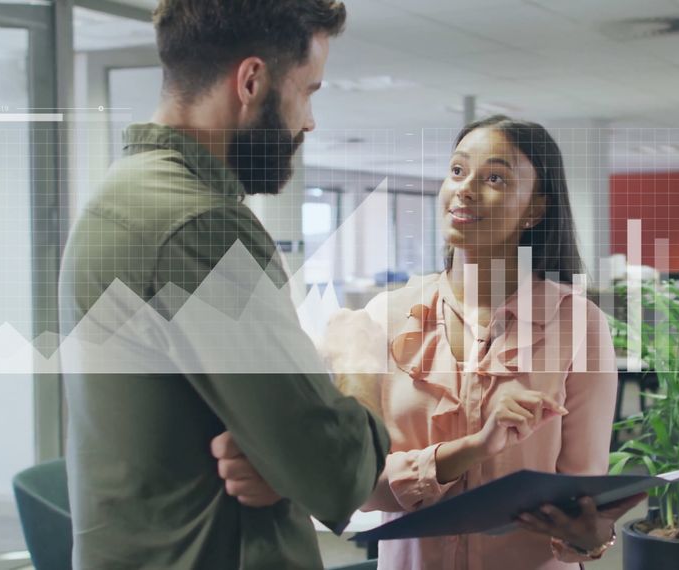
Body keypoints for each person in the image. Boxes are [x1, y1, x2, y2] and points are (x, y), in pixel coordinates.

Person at [214, 116, 645, 569]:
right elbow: (362, 485)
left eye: (495, 178)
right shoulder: (385, 317)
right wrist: (475, 448)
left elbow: (578, 499)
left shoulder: (578, 325)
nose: (466, 188)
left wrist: (589, 538)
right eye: (458, 171)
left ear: (535, 209)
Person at [58, 1, 391, 568]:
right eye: (308, 91)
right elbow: (336, 470)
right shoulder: (201, 227)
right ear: (252, 80)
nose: (308, 121)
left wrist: (280, 451)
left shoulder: (121, 196)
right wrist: (360, 365)